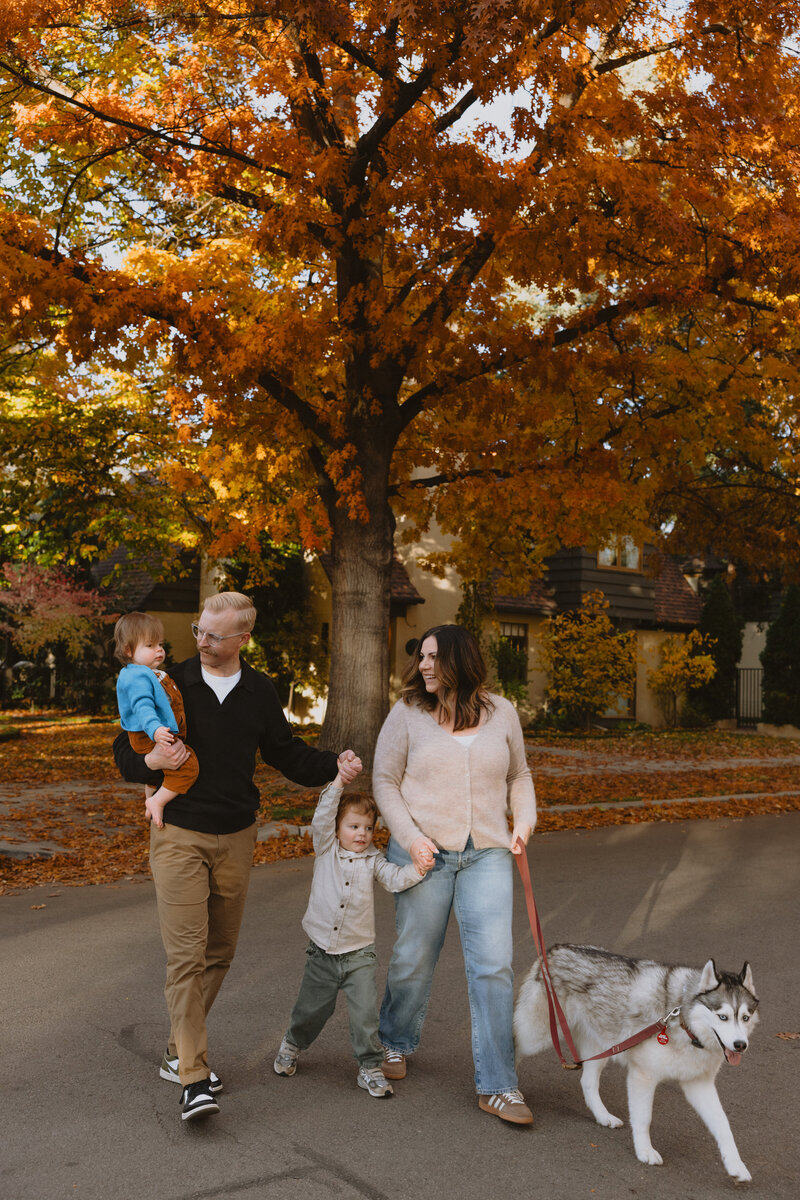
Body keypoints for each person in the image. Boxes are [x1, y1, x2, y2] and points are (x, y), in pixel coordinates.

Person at [113, 590, 361, 1122]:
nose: (201, 641)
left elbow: (282, 750)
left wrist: (332, 766)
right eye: (199, 631)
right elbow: (124, 749)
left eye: (213, 635)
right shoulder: (168, 680)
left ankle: (176, 1049)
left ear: (243, 638)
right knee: (185, 958)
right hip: (179, 834)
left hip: (238, 836)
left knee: (219, 953)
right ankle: (194, 1077)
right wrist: (151, 760)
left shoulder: (259, 691)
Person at [372, 623, 537, 1125]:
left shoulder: (501, 711)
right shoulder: (406, 713)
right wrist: (411, 837)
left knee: (494, 965)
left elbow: (519, 775)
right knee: (413, 958)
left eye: (432, 657)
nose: (422, 665)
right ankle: (395, 1040)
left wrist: (524, 820)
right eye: (421, 657)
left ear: (459, 661)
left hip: (486, 852)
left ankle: (498, 1086)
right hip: (422, 852)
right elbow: (384, 780)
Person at [273, 776, 428, 1098]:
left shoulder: (374, 860)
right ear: (337, 828)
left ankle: (370, 1068)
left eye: (368, 828)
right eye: (354, 827)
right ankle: (292, 1043)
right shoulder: (326, 848)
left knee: (365, 1015)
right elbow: (322, 816)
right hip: (323, 951)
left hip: (359, 953)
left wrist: (419, 869)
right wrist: (338, 783)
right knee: (311, 1010)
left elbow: (395, 879)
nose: (362, 834)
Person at [114, 611, 199, 829]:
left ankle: (150, 798)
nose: (159, 650)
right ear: (128, 650)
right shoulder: (138, 676)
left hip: (156, 732)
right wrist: (155, 730)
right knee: (188, 766)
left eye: (160, 644)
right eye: (150, 645)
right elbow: (143, 706)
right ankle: (157, 801)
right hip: (150, 734)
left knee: (158, 775)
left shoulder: (151, 673)